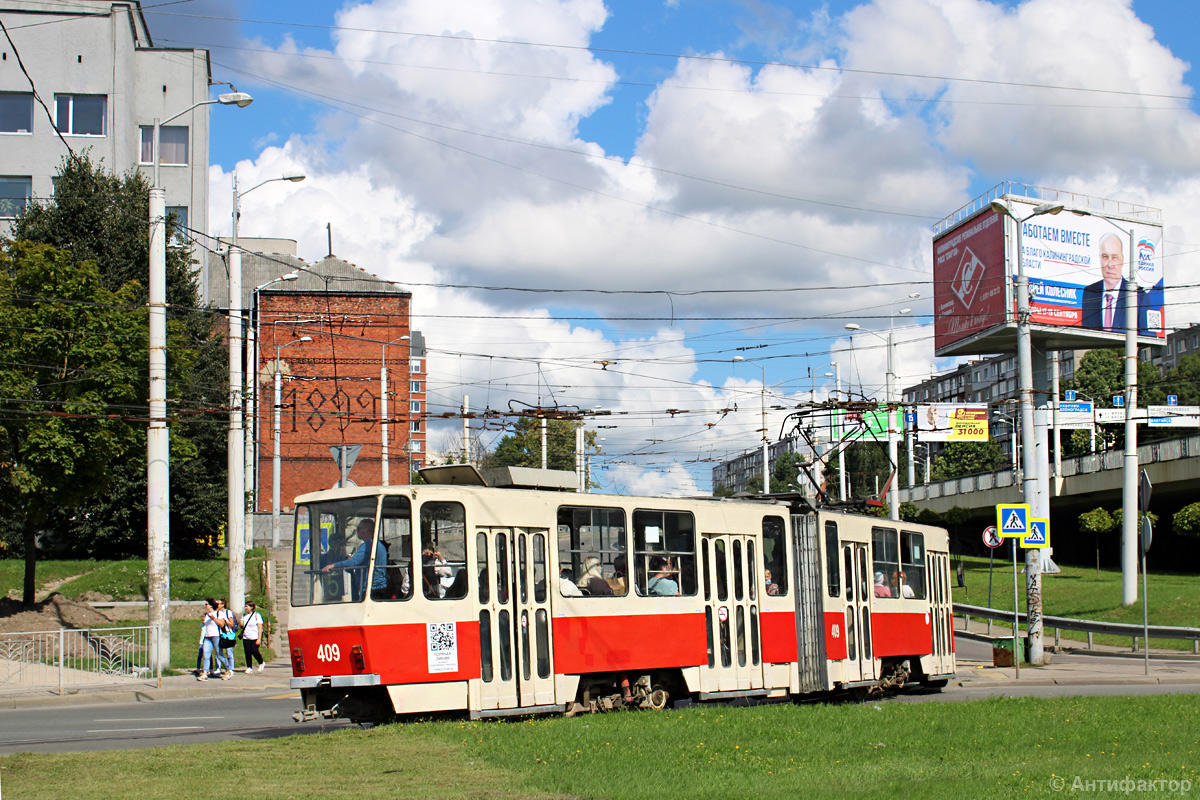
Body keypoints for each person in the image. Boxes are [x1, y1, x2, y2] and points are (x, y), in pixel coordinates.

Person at [1082, 233, 1149, 333]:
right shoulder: (1089, 293)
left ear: (1122, 260)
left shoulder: (1139, 296)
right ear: (1099, 258)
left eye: (1114, 257)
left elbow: (1148, 337)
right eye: (1105, 257)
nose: (1110, 264)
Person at [321, 518, 387, 600]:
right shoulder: (379, 545)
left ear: (366, 530)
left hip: (372, 588)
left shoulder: (368, 545)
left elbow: (354, 562)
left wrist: (333, 565)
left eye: (358, 529)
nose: (357, 531)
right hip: (378, 587)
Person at [197, 598, 220, 681]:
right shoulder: (207, 615)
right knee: (206, 655)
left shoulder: (218, 613)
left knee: (219, 655)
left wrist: (213, 618)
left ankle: (228, 669)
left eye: (206, 604)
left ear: (211, 605)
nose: (205, 606)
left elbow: (221, 624)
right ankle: (205, 673)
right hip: (207, 637)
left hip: (216, 636)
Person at [214, 598, 238, 679]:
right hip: (219, 634)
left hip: (228, 633)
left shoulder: (228, 612)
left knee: (229, 652)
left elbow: (231, 624)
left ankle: (231, 669)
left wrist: (225, 621)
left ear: (223, 604)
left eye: (219, 604)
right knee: (218, 652)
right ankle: (218, 668)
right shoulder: (217, 613)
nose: (217, 605)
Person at [241, 601, 266, 674]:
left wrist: (259, 639)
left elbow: (260, 627)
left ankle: (261, 662)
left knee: (254, 651)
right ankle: (249, 667)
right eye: (245, 606)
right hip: (246, 636)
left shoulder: (256, 615)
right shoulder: (244, 616)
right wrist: (241, 625)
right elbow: (242, 626)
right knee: (247, 652)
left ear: (251, 607)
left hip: (254, 636)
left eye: (247, 606)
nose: (246, 608)